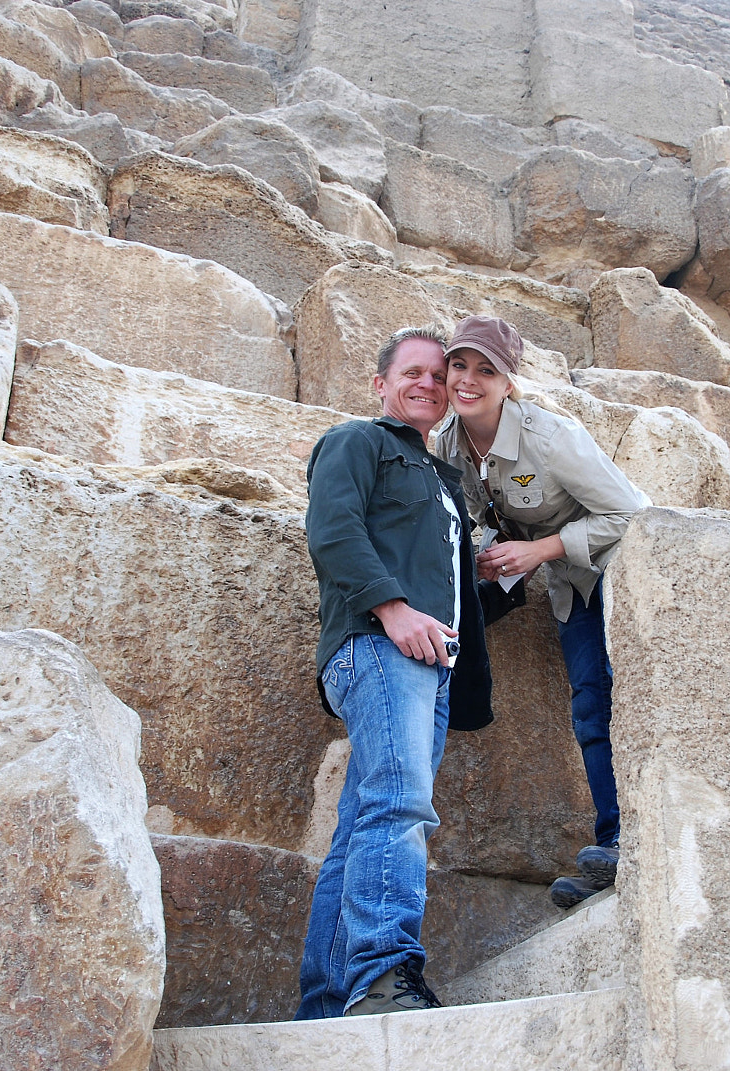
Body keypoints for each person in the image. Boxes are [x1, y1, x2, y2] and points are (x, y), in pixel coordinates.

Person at [295, 325, 493, 1019]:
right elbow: (332, 530)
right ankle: (385, 976)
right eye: (412, 372)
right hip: (378, 646)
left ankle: (326, 1004)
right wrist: (393, 609)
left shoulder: (441, 480)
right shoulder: (357, 441)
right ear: (381, 383)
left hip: (430, 665)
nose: (428, 385)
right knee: (401, 805)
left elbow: (452, 582)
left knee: (365, 825)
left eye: (440, 377)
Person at [435, 315, 649, 910]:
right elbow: (480, 515)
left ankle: (641, 842)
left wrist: (539, 549)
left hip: (617, 572)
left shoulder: (551, 437)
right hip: (565, 583)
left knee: (616, 697)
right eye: (460, 366)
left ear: (509, 381)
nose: (469, 381)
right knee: (587, 705)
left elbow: (630, 514)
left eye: (487, 370)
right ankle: (615, 846)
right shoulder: (450, 444)